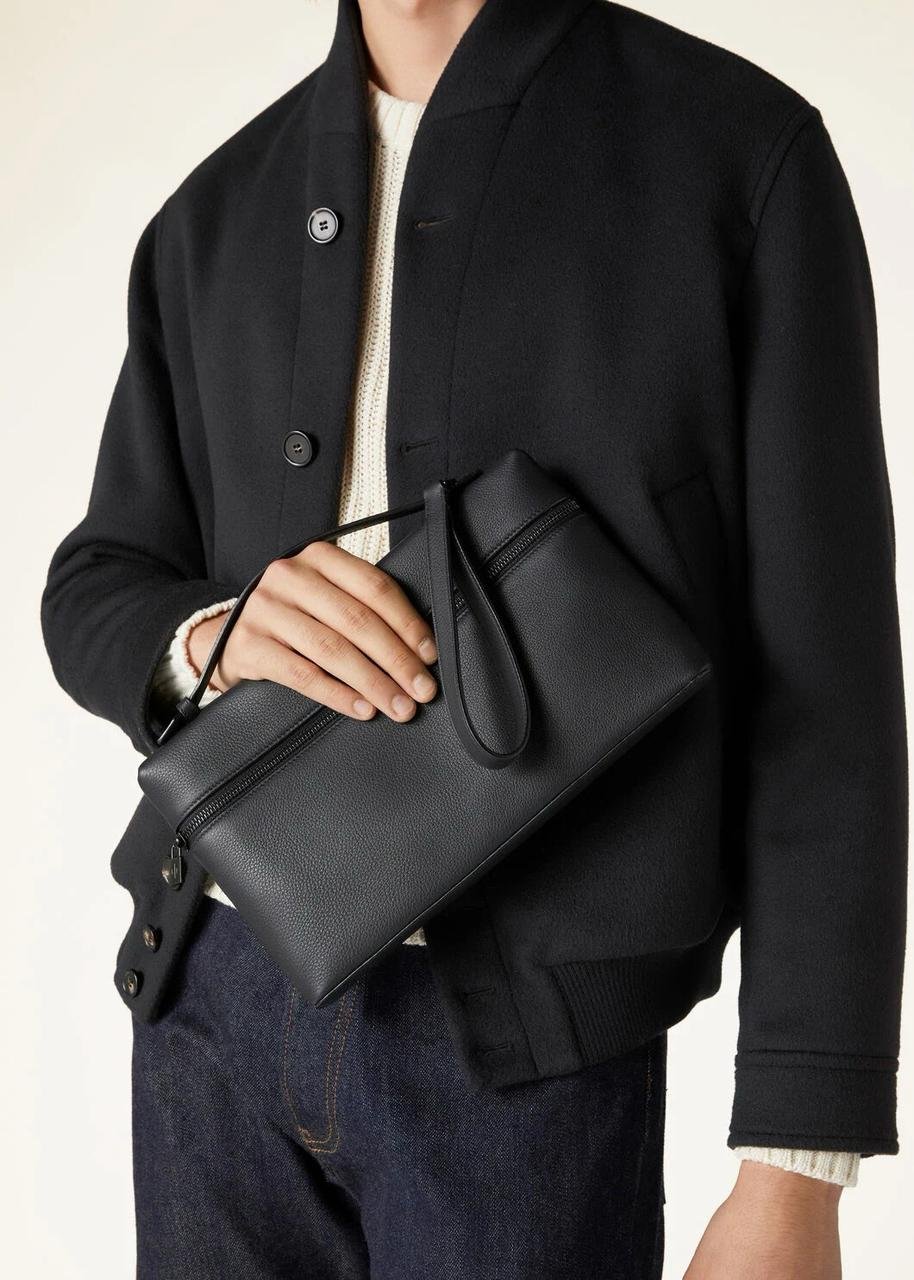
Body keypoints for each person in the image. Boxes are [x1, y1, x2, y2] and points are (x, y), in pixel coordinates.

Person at [41, 1, 907, 1276]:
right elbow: (95, 583)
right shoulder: (210, 214)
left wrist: (797, 1160)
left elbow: (826, 683)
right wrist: (210, 634)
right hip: (207, 1008)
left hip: (523, 1062)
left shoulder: (735, 155)